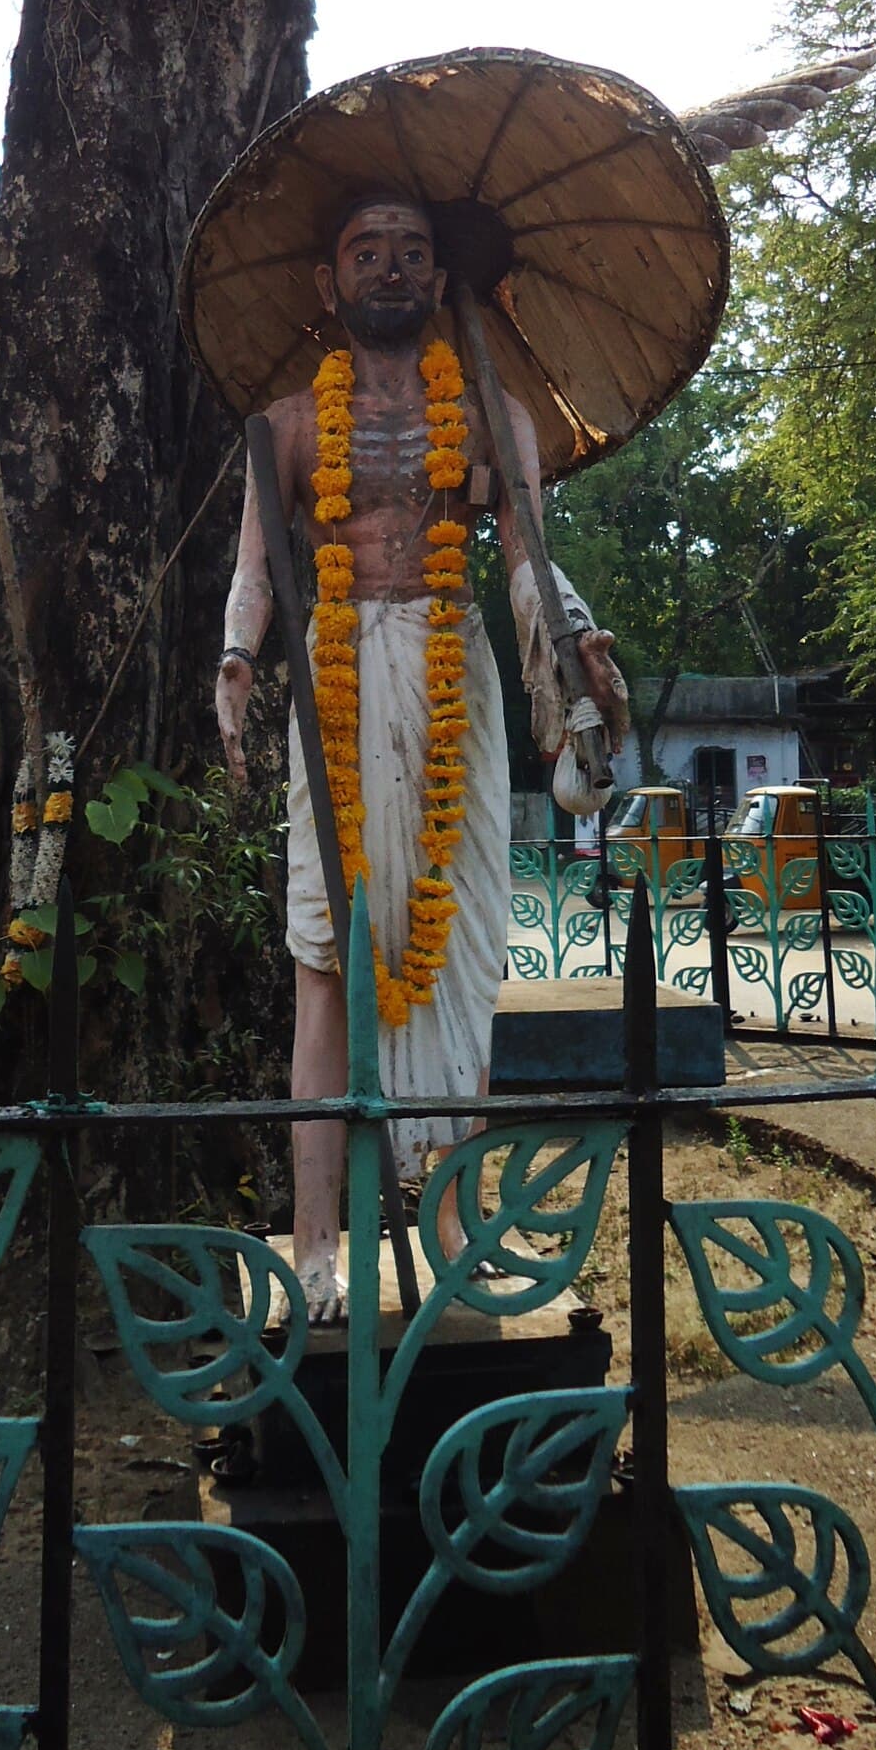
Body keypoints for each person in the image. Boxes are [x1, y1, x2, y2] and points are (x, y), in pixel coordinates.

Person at [216, 193, 627, 1321]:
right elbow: (256, 569)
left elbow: (531, 561)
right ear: (327, 283)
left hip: (458, 674)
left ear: (441, 279)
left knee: (464, 965)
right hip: (337, 690)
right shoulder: (288, 424)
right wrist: (235, 658)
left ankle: (453, 1232)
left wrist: (574, 638)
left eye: (411, 254)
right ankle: (314, 1250)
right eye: (365, 253)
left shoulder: (498, 415)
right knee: (324, 964)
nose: (389, 270)